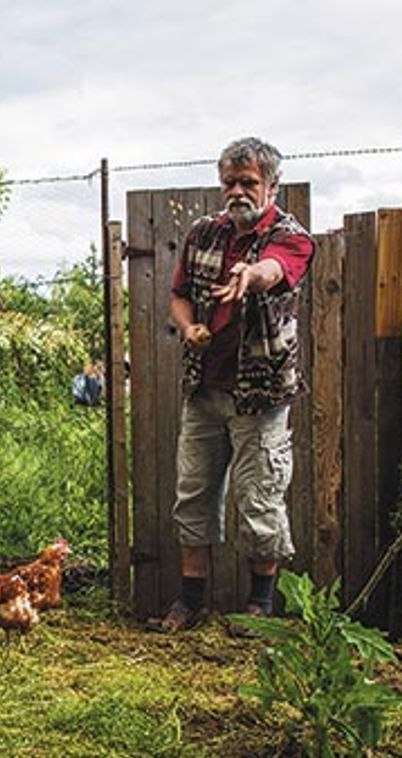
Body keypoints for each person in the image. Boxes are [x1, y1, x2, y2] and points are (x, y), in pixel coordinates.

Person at [147, 137, 315, 635]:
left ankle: (260, 607)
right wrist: (188, 327)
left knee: (260, 497)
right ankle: (190, 601)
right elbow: (179, 295)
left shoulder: (292, 236)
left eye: (248, 183)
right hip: (204, 390)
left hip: (260, 395)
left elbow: (274, 272)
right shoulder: (203, 233)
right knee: (193, 493)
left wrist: (249, 275)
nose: (237, 191)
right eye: (230, 183)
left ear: (271, 186)